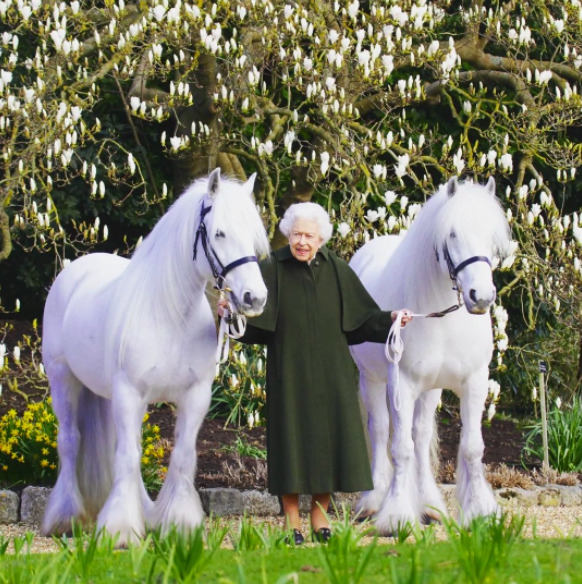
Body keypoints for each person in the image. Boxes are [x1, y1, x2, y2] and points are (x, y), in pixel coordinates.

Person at [218, 202, 412, 545]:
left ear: (321, 238)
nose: (302, 241)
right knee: (290, 442)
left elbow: (363, 319)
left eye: (308, 235)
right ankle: (291, 517)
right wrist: (228, 314)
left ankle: (320, 513)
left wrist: (393, 318)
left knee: (329, 443)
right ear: (287, 235)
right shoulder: (272, 268)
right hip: (287, 372)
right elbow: (252, 323)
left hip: (332, 372)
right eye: (296, 234)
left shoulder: (336, 269)